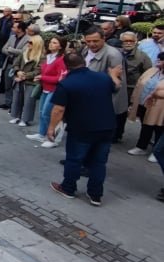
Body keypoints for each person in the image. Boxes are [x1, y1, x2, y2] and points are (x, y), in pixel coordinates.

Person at [48, 53, 122, 206]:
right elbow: (117, 86)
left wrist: (51, 128)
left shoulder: (67, 84)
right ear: (84, 62)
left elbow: (58, 110)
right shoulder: (102, 78)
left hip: (81, 128)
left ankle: (68, 188)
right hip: (107, 127)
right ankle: (95, 195)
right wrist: (113, 75)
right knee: (99, 162)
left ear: (66, 66)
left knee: (74, 159)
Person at [82, 27, 128, 143]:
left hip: (101, 101)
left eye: (95, 41)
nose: (91, 44)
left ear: (104, 38)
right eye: (88, 41)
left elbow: (116, 84)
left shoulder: (113, 55)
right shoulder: (85, 50)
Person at [26, 36, 68, 147]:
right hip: (45, 88)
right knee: (41, 112)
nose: (51, 44)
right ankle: (41, 134)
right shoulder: (48, 57)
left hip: (54, 89)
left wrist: (42, 77)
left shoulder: (61, 60)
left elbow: (61, 78)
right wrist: (41, 77)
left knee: (47, 113)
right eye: (51, 42)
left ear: (60, 46)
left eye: (54, 43)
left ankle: (51, 138)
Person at [128, 52, 164, 158]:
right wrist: (134, 100)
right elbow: (140, 83)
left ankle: (157, 152)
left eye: (161, 60)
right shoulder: (152, 71)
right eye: (158, 59)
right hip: (145, 104)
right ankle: (141, 147)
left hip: (160, 108)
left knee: (159, 129)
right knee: (146, 126)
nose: (158, 61)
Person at [9, 35, 45, 127]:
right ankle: (16, 116)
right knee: (17, 99)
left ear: (37, 44)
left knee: (28, 101)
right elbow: (15, 63)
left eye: (31, 42)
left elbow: (38, 70)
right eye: (28, 42)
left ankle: (25, 119)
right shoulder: (24, 52)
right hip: (19, 79)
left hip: (31, 82)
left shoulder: (41, 57)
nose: (28, 44)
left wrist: (25, 76)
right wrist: (18, 71)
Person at [0, 21, 29, 104]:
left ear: (20, 29)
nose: (12, 29)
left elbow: (24, 52)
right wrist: (12, 52)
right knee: (8, 85)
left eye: (14, 27)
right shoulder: (12, 37)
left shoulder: (28, 39)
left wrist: (10, 50)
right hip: (9, 64)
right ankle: (8, 102)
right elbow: (4, 49)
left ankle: (16, 104)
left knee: (17, 86)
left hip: (19, 66)